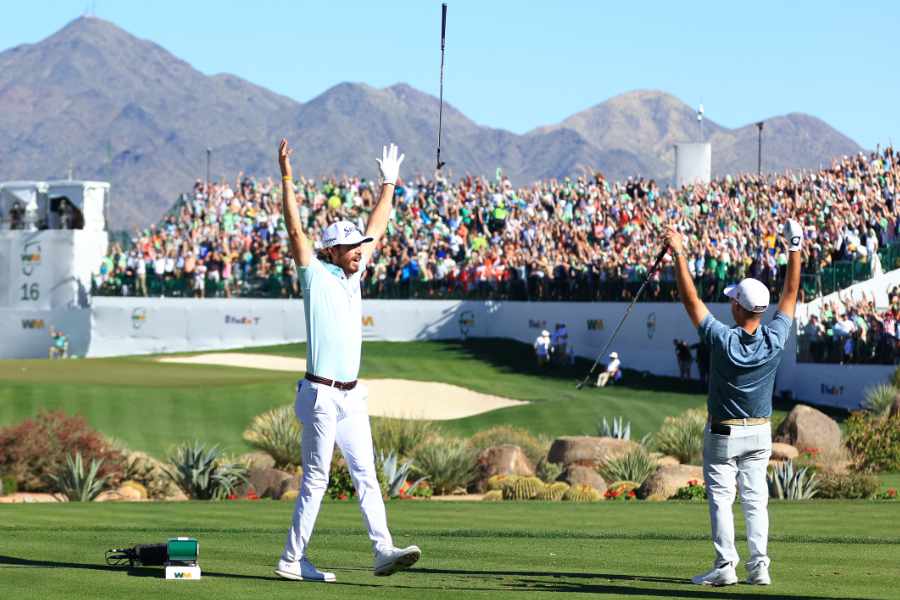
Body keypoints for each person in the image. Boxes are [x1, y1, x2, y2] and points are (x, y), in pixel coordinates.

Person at [275, 138, 420, 583]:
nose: (359, 250)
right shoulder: (314, 276)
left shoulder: (354, 278)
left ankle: (382, 550)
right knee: (316, 480)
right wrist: (286, 177)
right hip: (319, 393)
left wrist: (389, 184)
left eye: (359, 246)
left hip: (351, 396)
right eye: (350, 247)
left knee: (366, 475)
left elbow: (378, 225)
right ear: (331, 252)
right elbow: (296, 231)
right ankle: (291, 560)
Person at [664, 218, 801, 587]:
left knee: (722, 499)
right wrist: (794, 246)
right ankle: (760, 568)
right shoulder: (775, 338)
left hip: (723, 432)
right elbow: (790, 293)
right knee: (756, 501)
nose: (729, 305)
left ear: (740, 308)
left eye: (732, 301)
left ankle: (726, 566)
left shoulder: (722, 341)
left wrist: (678, 252)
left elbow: (690, 300)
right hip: (760, 433)